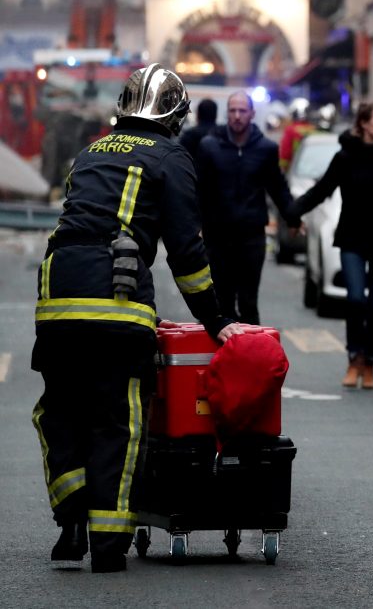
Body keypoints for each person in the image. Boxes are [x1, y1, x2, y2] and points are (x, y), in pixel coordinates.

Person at [31, 64, 241, 573]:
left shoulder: (90, 152)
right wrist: (217, 321)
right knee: (116, 421)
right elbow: (186, 253)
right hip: (116, 296)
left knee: (58, 411)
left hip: (57, 292)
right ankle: (106, 543)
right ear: (175, 115)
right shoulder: (171, 156)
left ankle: (70, 518)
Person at [287, 102, 373, 389]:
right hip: (352, 236)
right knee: (355, 299)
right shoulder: (344, 157)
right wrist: (293, 211)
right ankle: (353, 359)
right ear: (364, 123)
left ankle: (370, 364)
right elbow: (322, 189)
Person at [196, 91, 300, 325]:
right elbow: (199, 189)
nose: (237, 116)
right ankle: (226, 357)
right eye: (232, 111)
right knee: (222, 300)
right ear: (227, 114)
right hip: (217, 235)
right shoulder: (209, 146)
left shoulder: (265, 148)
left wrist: (293, 218)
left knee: (248, 301)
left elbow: (277, 187)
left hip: (251, 236)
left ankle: (252, 357)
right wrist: (194, 225)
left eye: (242, 111)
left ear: (252, 114)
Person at [278, 98, 316, 173]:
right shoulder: (313, 130)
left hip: (295, 170)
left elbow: (286, 152)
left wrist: (283, 169)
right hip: (313, 170)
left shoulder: (290, 130)